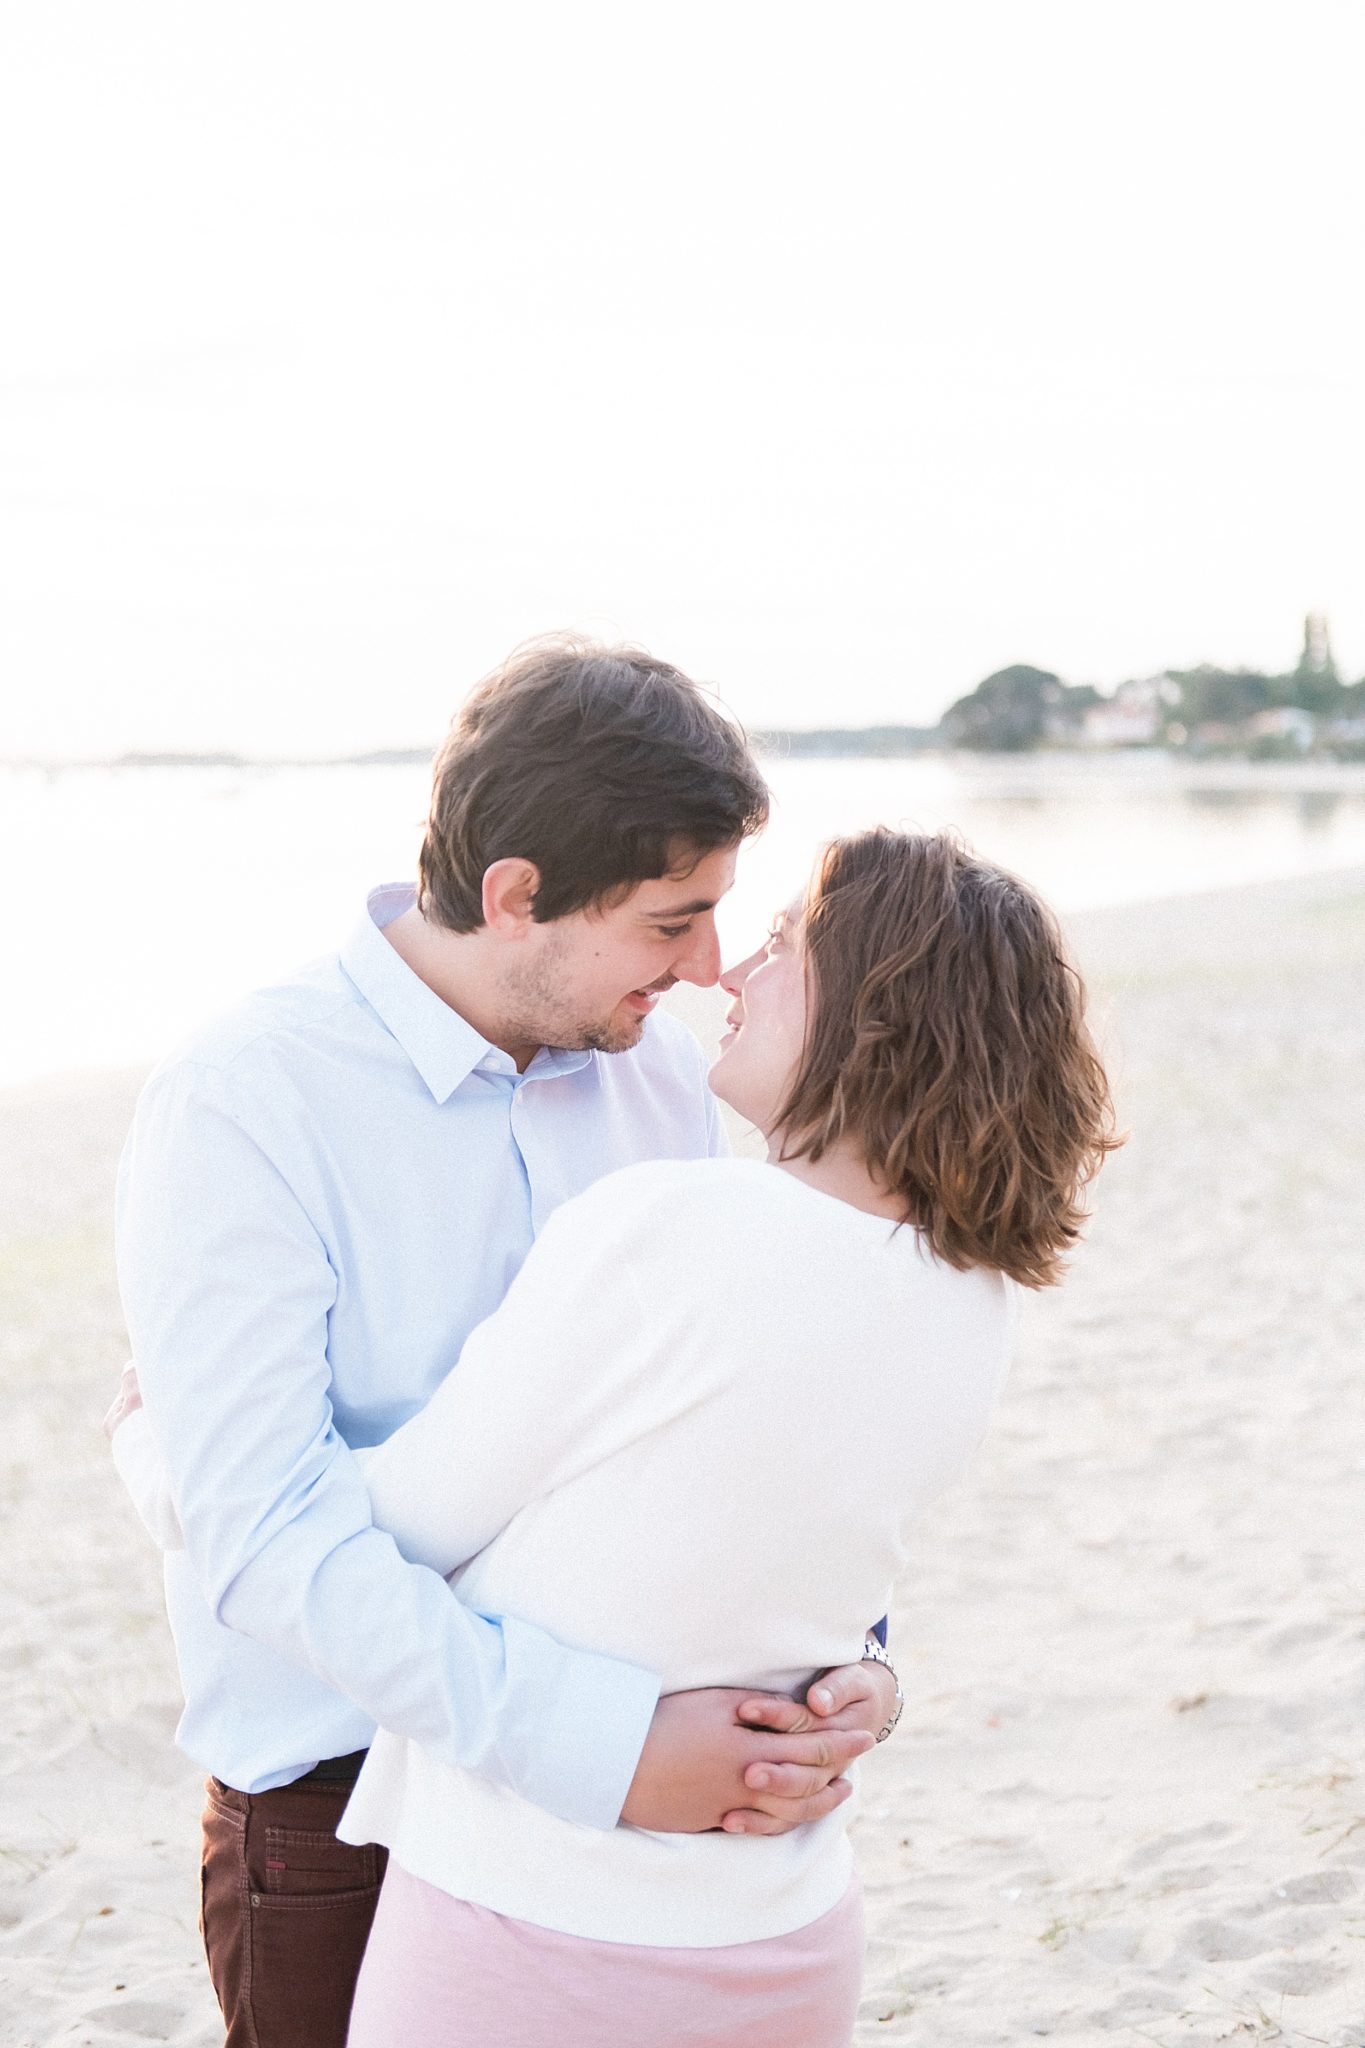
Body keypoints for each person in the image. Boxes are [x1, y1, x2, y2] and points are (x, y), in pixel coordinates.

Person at [109, 639, 899, 2048]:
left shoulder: (659, 1074)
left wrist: (850, 1656)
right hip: (345, 1809)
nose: (712, 969)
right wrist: (605, 1750)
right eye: (673, 920)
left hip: (632, 1829)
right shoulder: (245, 1102)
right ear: (516, 896)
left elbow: (731, 1416)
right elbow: (267, 1544)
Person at [327, 826, 1119, 2047]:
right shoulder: (975, 1299)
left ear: (877, 1012)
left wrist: (164, 1454)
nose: (730, 973)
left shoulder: (671, 1229)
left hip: (543, 1927)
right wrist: (879, 1679)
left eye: (787, 945)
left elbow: (399, 1527)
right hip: (784, 1931)